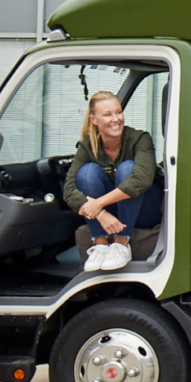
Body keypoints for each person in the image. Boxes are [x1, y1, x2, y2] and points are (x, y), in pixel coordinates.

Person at [63, 91, 161, 272]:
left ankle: (122, 242)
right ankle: (100, 243)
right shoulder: (87, 146)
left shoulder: (140, 139)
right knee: (87, 173)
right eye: (108, 115)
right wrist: (100, 214)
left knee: (128, 169)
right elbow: (68, 190)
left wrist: (98, 204)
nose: (116, 119)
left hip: (144, 210)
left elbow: (141, 180)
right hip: (109, 214)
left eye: (119, 112)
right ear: (94, 120)